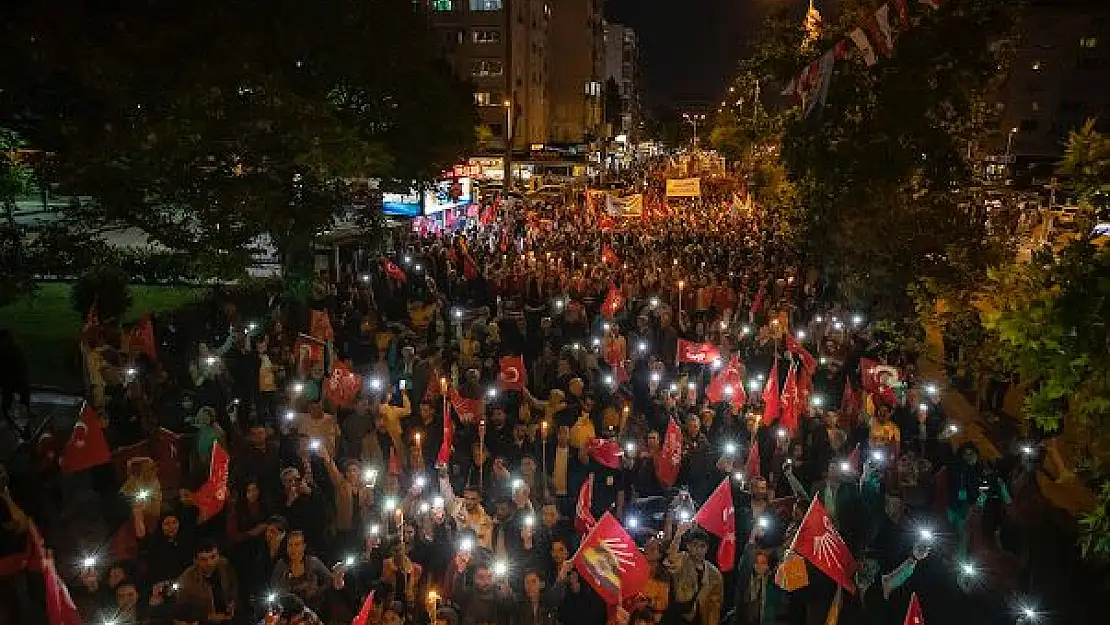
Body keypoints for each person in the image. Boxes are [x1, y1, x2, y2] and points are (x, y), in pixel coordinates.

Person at [665, 525, 723, 625]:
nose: (698, 550)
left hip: (700, 618)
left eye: (702, 546)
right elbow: (671, 558)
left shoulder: (714, 574)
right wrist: (678, 536)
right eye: (695, 545)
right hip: (678, 616)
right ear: (688, 546)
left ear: (707, 548)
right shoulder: (683, 559)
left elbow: (715, 605)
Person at [175, 539, 239, 624]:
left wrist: (232, 602)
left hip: (228, 618)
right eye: (203, 559)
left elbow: (233, 586)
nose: (209, 563)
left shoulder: (225, 565)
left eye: (213, 557)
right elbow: (180, 609)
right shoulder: (187, 578)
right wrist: (207, 616)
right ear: (196, 560)